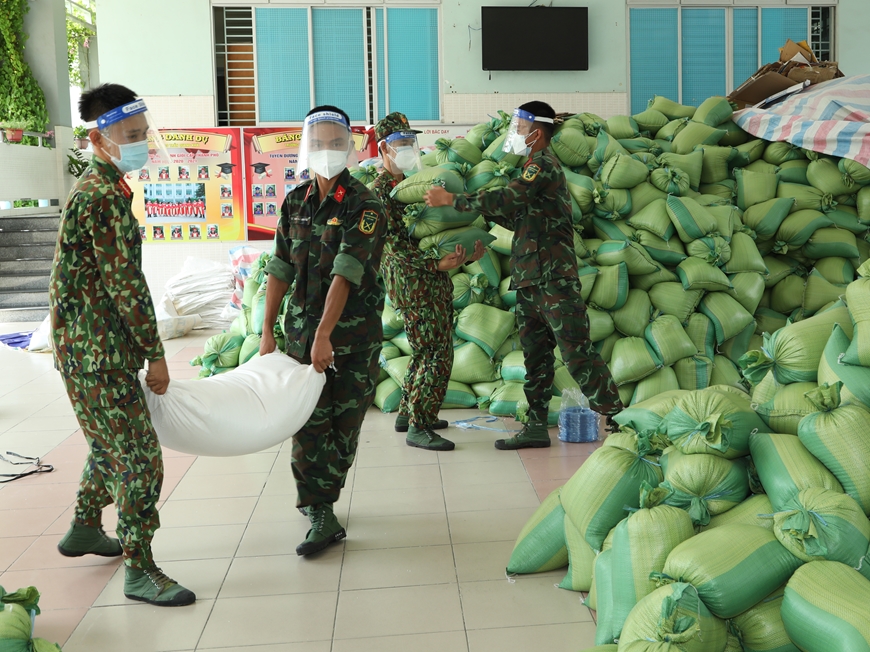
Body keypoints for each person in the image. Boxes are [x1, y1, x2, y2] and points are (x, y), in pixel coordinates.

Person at [48, 83, 195, 606]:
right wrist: (155, 354)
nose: (141, 144)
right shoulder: (103, 195)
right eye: (130, 136)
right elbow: (124, 285)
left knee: (110, 443)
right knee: (139, 460)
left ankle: (87, 526)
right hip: (96, 353)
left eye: (142, 134)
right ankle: (140, 568)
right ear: (99, 136)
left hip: (90, 348)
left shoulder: (102, 186)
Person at [426, 101, 623, 450]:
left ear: (537, 132)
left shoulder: (542, 167)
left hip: (553, 280)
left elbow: (508, 197)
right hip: (531, 280)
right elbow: (519, 217)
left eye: (518, 126)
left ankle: (619, 418)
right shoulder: (532, 169)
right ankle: (534, 426)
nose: (514, 132)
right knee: (536, 356)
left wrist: (452, 201)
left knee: (575, 353)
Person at [259, 106, 386, 556]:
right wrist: (268, 329)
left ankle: (324, 496)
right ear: (306, 147)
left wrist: (326, 335)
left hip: (352, 339)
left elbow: (346, 271)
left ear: (349, 148)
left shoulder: (365, 204)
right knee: (308, 424)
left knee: (343, 426)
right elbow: (278, 266)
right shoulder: (295, 201)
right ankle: (320, 510)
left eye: (337, 143)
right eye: (320, 143)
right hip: (300, 337)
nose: (328, 151)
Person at [371, 112, 484, 451]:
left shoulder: (410, 186)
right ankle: (419, 425)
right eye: (399, 143)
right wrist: (437, 263)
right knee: (436, 352)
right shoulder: (381, 193)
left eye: (410, 141)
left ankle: (410, 411)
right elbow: (392, 249)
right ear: (383, 149)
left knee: (425, 349)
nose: (407, 148)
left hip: (426, 278)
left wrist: (458, 258)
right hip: (413, 280)